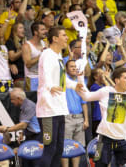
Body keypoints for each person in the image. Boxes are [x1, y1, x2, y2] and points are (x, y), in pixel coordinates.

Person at [36, 26, 82, 167]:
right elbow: (46, 75)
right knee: (50, 148)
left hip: (60, 108)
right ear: (55, 39)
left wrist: (75, 85)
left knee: (59, 149)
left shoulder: (58, 57)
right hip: (48, 109)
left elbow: (61, 79)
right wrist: (50, 86)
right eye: (64, 35)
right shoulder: (47, 54)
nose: (67, 37)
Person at [0, 87, 41, 167]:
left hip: (36, 137)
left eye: (12, 99)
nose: (11, 102)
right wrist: (22, 133)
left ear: (18, 98)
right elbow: (28, 123)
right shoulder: (24, 106)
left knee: (35, 163)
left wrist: (7, 129)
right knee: (26, 162)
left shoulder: (29, 106)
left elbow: (23, 124)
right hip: (30, 136)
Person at [61, 60, 89, 167]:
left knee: (77, 146)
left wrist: (86, 119)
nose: (74, 68)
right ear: (66, 69)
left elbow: (84, 103)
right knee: (66, 146)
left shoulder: (81, 82)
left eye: (76, 67)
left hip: (79, 117)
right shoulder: (63, 81)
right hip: (67, 117)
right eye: (71, 66)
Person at [22, 22, 47, 92]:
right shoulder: (27, 46)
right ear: (35, 32)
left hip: (43, 78)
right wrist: (40, 55)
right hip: (31, 79)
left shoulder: (45, 43)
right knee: (33, 101)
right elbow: (28, 64)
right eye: (42, 30)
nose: (45, 31)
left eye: (45, 29)